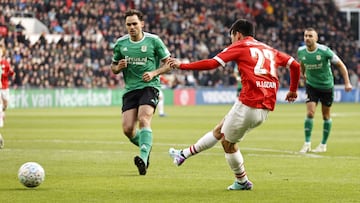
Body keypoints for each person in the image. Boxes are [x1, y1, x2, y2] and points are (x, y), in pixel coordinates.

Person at [166, 19, 301, 190]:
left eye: (231, 36)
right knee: (219, 130)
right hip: (265, 107)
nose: (231, 40)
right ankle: (182, 154)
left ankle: (242, 181)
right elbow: (294, 65)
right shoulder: (268, 49)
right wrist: (293, 90)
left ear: (237, 34)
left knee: (227, 143)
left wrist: (182, 65)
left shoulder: (240, 46)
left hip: (248, 104)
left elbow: (212, 63)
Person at [110, 9, 171, 175]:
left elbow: (169, 64)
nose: (131, 27)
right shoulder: (121, 44)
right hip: (130, 89)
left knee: (144, 118)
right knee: (128, 129)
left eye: (134, 23)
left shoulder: (154, 41)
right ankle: (146, 146)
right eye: (128, 24)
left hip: (149, 86)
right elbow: (113, 67)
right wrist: (118, 67)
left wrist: (154, 73)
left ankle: (143, 159)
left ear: (142, 24)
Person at [297, 28, 352, 153]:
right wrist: (303, 75)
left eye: (310, 36)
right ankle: (307, 143)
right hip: (311, 86)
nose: (307, 38)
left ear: (316, 38)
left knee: (325, 115)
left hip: (326, 86)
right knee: (310, 113)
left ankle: (323, 144)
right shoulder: (301, 51)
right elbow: (302, 63)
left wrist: (347, 82)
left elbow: (341, 65)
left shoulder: (324, 51)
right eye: (305, 36)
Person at [0, 44, 9, 128]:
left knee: (5, 103)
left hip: (4, 86)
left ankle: (2, 112)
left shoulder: (5, 62)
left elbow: (10, 71)